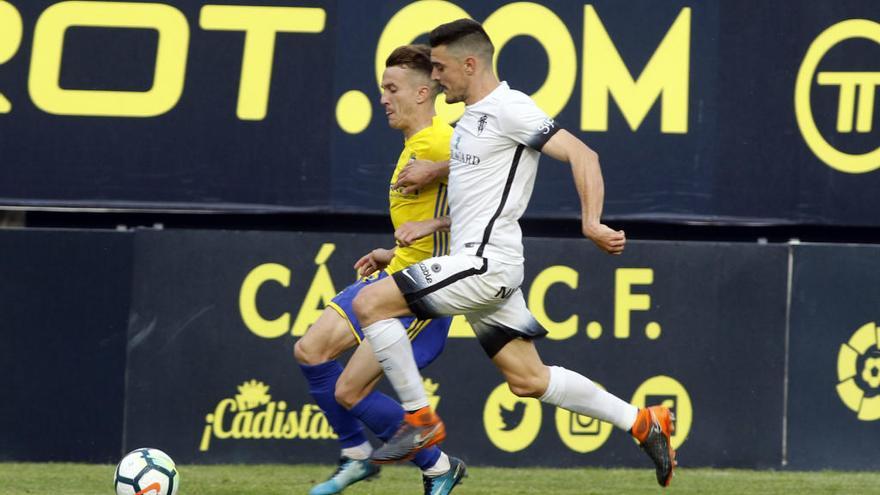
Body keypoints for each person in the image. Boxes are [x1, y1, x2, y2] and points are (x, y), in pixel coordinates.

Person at [351, 19, 676, 487]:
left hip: (485, 264)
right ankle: (643, 422)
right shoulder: (471, 119)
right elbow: (481, 174)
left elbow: (584, 155)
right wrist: (432, 207)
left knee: (369, 303)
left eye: (440, 67)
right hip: (477, 263)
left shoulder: (511, 108)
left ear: (470, 63)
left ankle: (419, 421)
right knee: (528, 379)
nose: (435, 76)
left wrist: (592, 223)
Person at [293, 44, 466, 495]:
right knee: (311, 351)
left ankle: (438, 465)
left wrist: (441, 171)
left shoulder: (442, 140)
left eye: (392, 89)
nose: (383, 98)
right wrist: (391, 253)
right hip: (394, 274)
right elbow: (436, 219)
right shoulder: (414, 145)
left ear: (423, 92)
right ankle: (355, 456)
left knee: (349, 392)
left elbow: (495, 202)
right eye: (381, 89)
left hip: (418, 294)